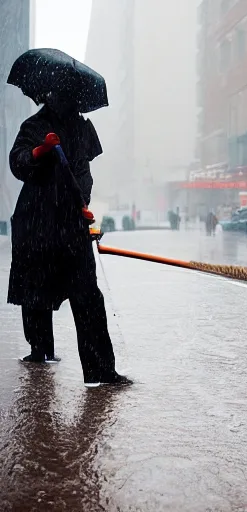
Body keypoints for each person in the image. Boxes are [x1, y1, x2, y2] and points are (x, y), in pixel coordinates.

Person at [8, 93, 131, 387]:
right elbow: (18, 163)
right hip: (37, 220)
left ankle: (101, 370)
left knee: (87, 296)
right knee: (36, 291)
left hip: (71, 222)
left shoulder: (81, 129)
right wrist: (41, 150)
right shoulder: (34, 126)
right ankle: (41, 350)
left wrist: (83, 203)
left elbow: (84, 174)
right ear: (49, 96)